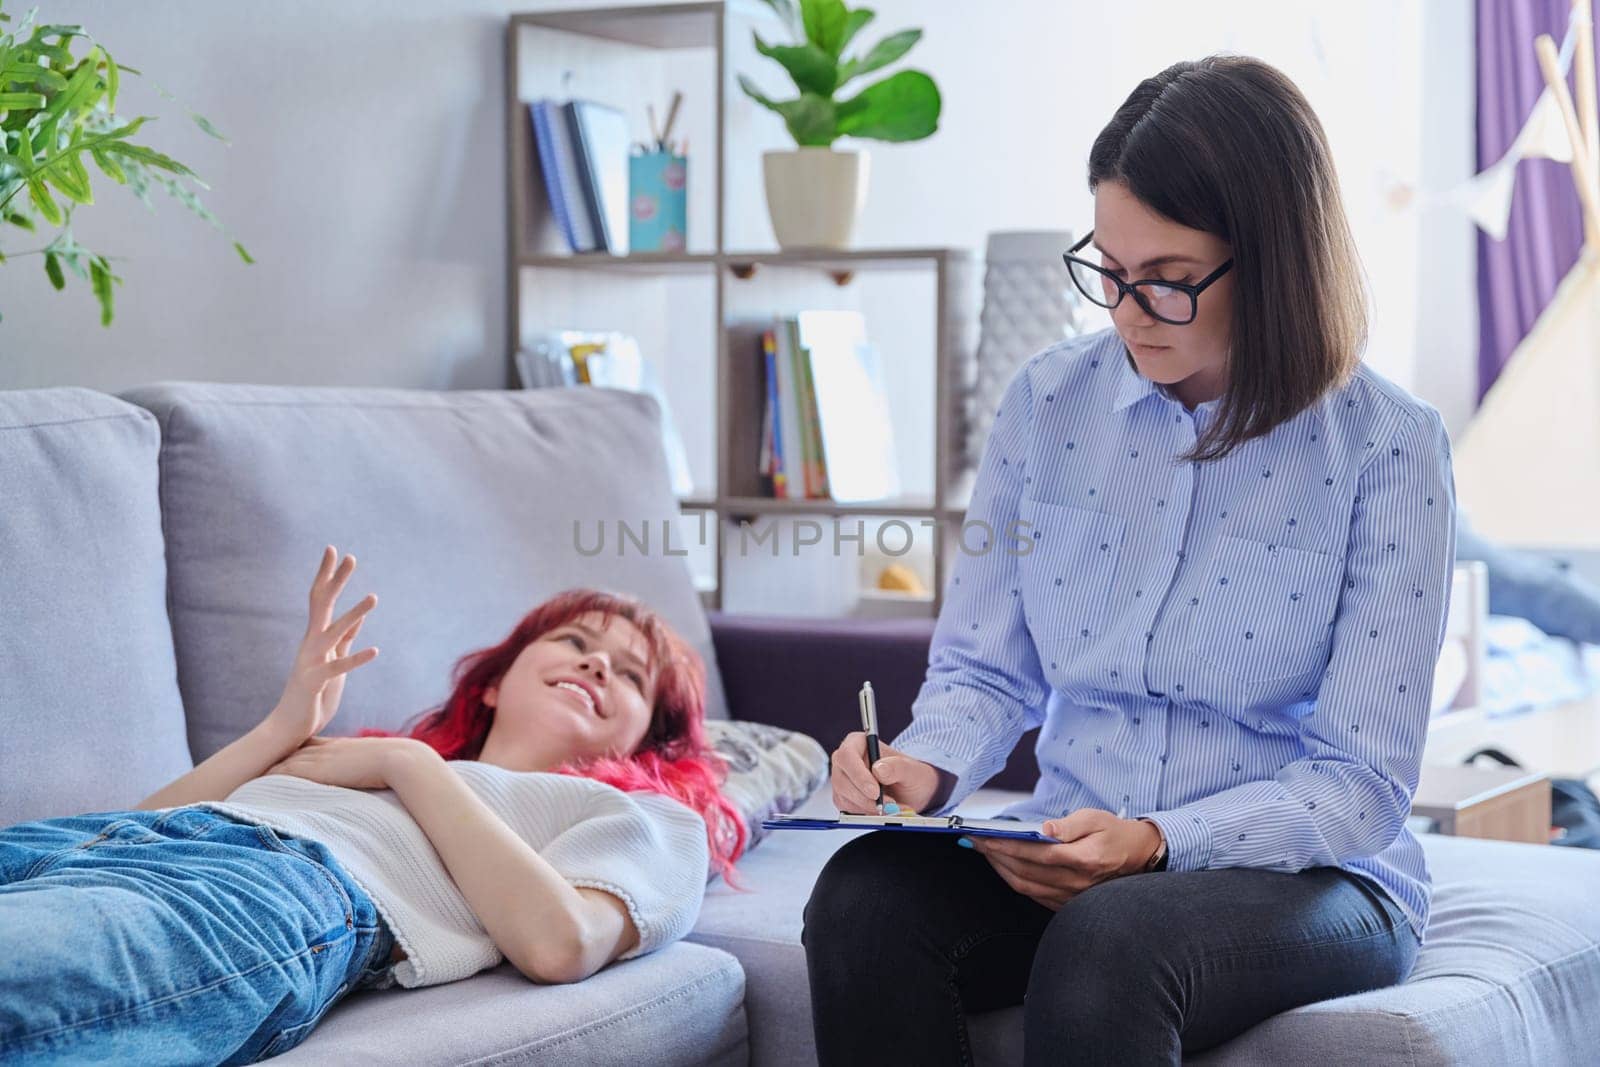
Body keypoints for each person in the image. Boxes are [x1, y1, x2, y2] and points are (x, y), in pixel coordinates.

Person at [805, 55, 1455, 1065]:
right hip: (1065, 840)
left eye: (1166, 280)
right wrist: (918, 768)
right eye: (1107, 269)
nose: (1124, 309)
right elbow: (984, 668)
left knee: (1107, 943)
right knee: (861, 899)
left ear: (1273, 260)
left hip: (1308, 875)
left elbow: (1360, 782)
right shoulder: (1045, 404)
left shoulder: (1387, 446)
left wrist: (1157, 839)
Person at [0, 547, 743, 1064]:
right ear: (491, 681)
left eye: (630, 675)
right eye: (576, 640)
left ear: (655, 733)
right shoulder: (355, 757)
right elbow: (151, 819)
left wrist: (410, 764)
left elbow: (562, 944)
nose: (594, 663)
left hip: (278, 889)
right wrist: (282, 728)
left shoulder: (643, 816)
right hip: (106, 841)